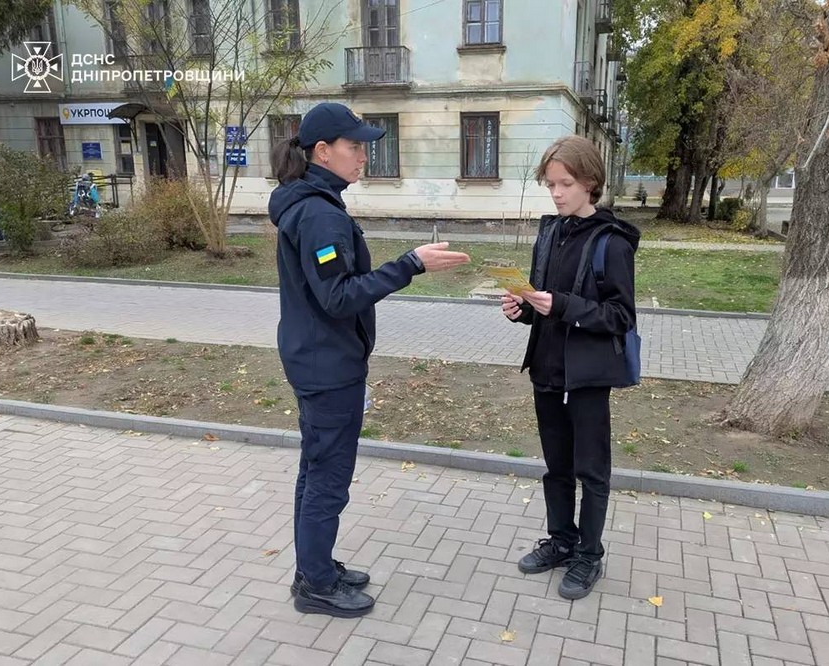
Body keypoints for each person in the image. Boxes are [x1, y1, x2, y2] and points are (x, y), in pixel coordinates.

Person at [268, 102, 470, 618]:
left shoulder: (313, 201)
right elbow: (337, 297)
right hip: (328, 367)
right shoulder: (318, 212)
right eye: (355, 147)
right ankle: (315, 585)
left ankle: (314, 568)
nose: (364, 156)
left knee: (315, 470)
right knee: (328, 478)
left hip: (319, 359)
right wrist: (410, 265)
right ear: (322, 152)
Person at [501, 135, 640, 600]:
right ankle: (561, 541)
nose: (557, 193)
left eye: (565, 184)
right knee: (556, 466)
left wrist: (562, 305)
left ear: (590, 183)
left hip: (587, 376)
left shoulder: (611, 242)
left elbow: (620, 317)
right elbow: (543, 299)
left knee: (591, 469)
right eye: (551, 184)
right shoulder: (550, 231)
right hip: (546, 369)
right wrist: (522, 308)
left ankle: (588, 555)